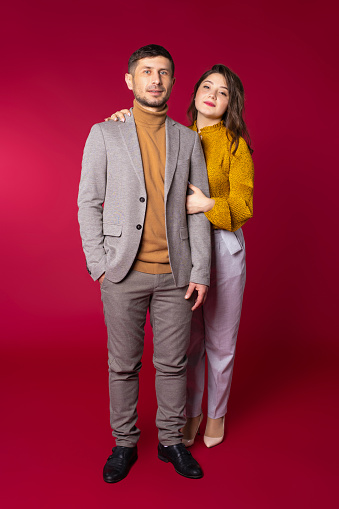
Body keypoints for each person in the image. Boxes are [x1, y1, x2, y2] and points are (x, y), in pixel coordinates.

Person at [78, 44, 211, 483]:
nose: (156, 79)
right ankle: (125, 443)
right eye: (147, 72)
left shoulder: (189, 139)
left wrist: (201, 271)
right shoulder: (105, 133)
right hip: (122, 271)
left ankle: (171, 441)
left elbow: (198, 211)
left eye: (165, 73)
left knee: (173, 363)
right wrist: (98, 261)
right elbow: (88, 202)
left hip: (177, 274)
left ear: (173, 82)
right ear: (130, 81)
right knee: (123, 364)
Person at [106, 64, 254, 449]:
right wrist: (121, 116)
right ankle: (188, 415)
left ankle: (216, 415)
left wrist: (207, 204)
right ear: (192, 93)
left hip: (222, 245)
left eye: (223, 92)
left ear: (230, 103)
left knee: (221, 342)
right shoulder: (177, 137)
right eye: (207, 87)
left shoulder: (235, 144)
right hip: (182, 247)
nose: (213, 95)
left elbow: (244, 204)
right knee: (186, 345)